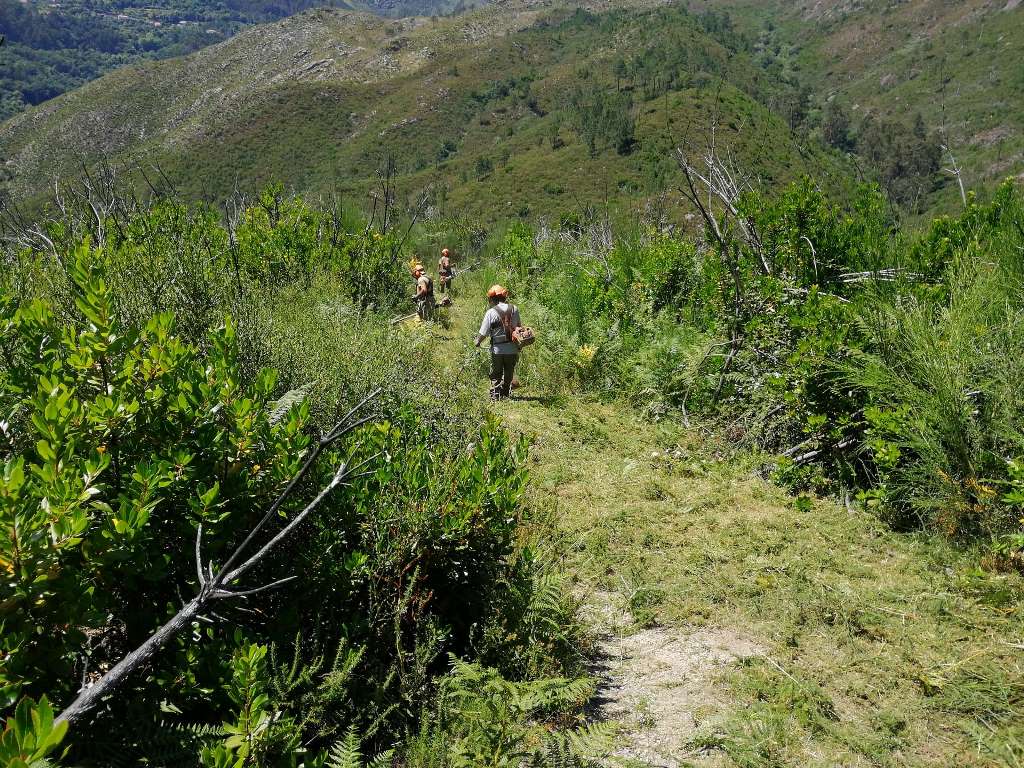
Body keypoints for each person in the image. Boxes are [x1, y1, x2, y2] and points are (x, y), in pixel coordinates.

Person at [474, 284, 522, 401]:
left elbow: (484, 332)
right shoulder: (514, 309)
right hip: (512, 348)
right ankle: (506, 393)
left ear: (492, 299)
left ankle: (495, 395)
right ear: (504, 297)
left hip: (498, 350)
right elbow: (519, 327)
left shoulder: (491, 312)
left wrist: (477, 342)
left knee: (496, 373)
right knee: (509, 371)